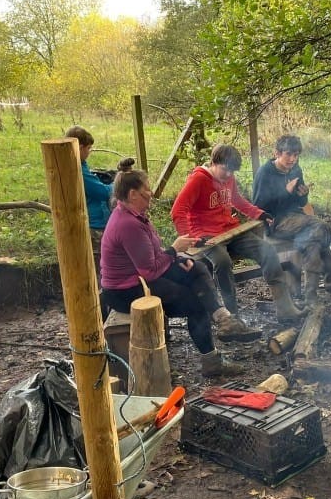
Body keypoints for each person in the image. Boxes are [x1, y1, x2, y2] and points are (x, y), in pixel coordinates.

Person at [100, 160, 256, 378]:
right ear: (133, 194)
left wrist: (176, 257)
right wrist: (173, 251)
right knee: (195, 304)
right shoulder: (128, 224)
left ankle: (224, 318)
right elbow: (149, 271)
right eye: (147, 189)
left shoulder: (134, 215)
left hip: (140, 277)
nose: (151, 193)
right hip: (125, 291)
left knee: (196, 268)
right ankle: (212, 362)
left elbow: (152, 255)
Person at [172, 144, 303, 320]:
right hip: (207, 236)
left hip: (231, 231)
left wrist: (259, 213)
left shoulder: (229, 177)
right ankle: (232, 316)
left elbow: (237, 200)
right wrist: (191, 239)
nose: (228, 174)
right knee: (223, 262)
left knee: (268, 251)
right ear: (213, 162)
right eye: (225, 170)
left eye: (232, 171)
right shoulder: (198, 180)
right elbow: (178, 211)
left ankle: (285, 307)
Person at [251, 135, 331, 303]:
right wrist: (285, 192)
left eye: (296, 155)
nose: (293, 159)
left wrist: (303, 195)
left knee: (313, 241)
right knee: (320, 227)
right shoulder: (265, 173)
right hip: (275, 222)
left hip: (296, 219)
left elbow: (300, 202)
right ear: (277, 153)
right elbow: (259, 207)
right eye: (288, 154)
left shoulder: (296, 169)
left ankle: (311, 294)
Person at [65, 125, 112, 257]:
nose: (89, 152)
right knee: (100, 257)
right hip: (93, 224)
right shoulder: (77, 168)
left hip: (88, 220)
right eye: (88, 148)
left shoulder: (75, 162)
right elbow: (102, 192)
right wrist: (115, 185)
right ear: (80, 148)